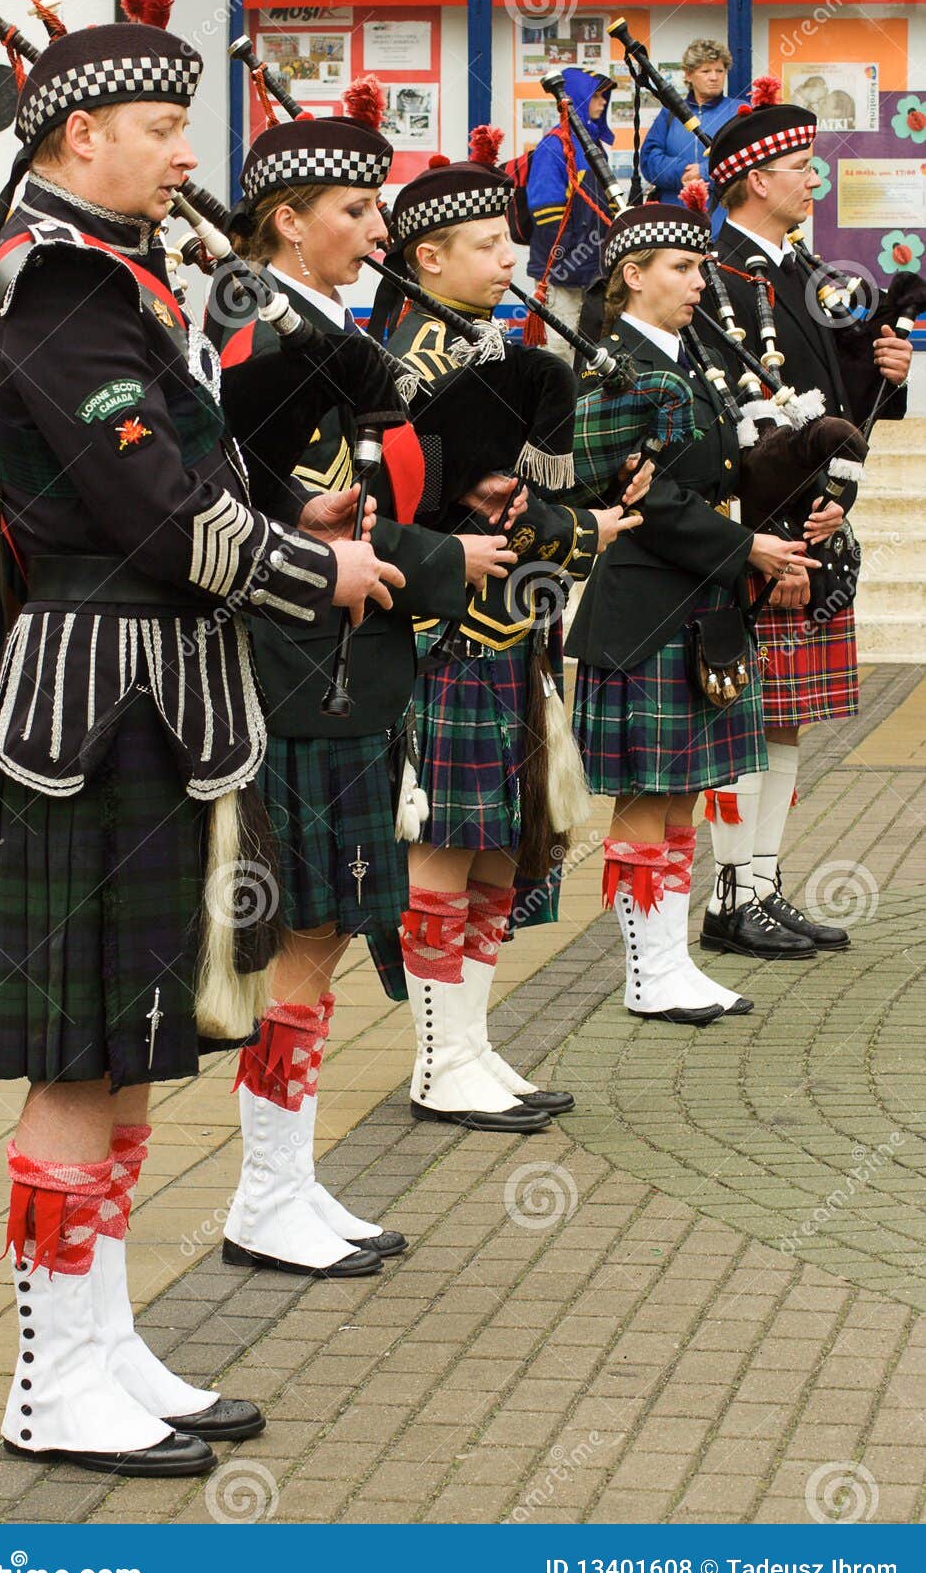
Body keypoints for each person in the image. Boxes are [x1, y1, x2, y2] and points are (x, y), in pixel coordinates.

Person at [0, 17, 403, 1477]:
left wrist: (287, 514)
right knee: (75, 1051)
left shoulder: (106, 275)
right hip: (93, 711)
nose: (188, 155)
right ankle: (49, 1383)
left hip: (157, 701)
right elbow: (156, 517)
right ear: (79, 135)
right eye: (164, 128)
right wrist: (315, 572)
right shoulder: (53, 283)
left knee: (124, 1044)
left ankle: (105, 1342)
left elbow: (179, 476)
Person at [207, 87, 521, 1266]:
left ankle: (287, 1180)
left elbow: (339, 496)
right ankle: (265, 1193)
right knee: (301, 933)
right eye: (355, 208)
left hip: (347, 663)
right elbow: (261, 517)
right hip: (301, 662)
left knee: (326, 929)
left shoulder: (312, 321)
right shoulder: (257, 334)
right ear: (289, 221)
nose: (378, 228)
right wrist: (442, 560)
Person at [381, 134, 648, 1128]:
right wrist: (588, 531)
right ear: (428, 257)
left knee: (498, 849)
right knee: (446, 850)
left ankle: (471, 1043)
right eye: (489, 245)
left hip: (508, 634)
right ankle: (436, 1060)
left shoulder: (489, 348)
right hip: (446, 636)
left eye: (510, 242)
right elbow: (445, 511)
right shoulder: (408, 364)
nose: (512, 260)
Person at [568, 202, 820, 1022]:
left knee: (682, 795)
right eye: (681, 267)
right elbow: (638, 496)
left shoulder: (690, 358)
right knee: (648, 797)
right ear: (633, 275)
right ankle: (648, 975)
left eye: (700, 268)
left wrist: (803, 461)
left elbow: (716, 472)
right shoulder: (613, 365)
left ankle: (671, 963)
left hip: (696, 602)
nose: (698, 282)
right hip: (644, 607)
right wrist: (746, 548)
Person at [699, 87, 912, 959]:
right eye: (798, 167)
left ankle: (761, 884)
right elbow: (733, 420)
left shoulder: (805, 273)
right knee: (743, 719)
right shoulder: (712, 275)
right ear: (753, 180)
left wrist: (885, 370)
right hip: (762, 529)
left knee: (783, 721)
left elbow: (835, 403)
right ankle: (728, 897)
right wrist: (776, 532)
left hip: (816, 520)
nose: (813, 179)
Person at [526, 67, 616, 357]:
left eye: (604, 96)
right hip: (563, 273)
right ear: (579, 97)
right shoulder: (554, 145)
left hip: (592, 271)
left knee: (589, 350)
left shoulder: (593, 145)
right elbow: (545, 211)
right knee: (559, 350)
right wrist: (567, 262)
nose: (603, 102)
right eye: (597, 95)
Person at [640, 39, 740, 221]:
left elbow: (748, 160)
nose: (714, 77)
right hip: (674, 218)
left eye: (720, 71)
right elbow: (649, 160)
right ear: (688, 75)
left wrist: (704, 172)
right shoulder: (670, 113)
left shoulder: (738, 111)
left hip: (724, 218)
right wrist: (682, 172)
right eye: (706, 71)